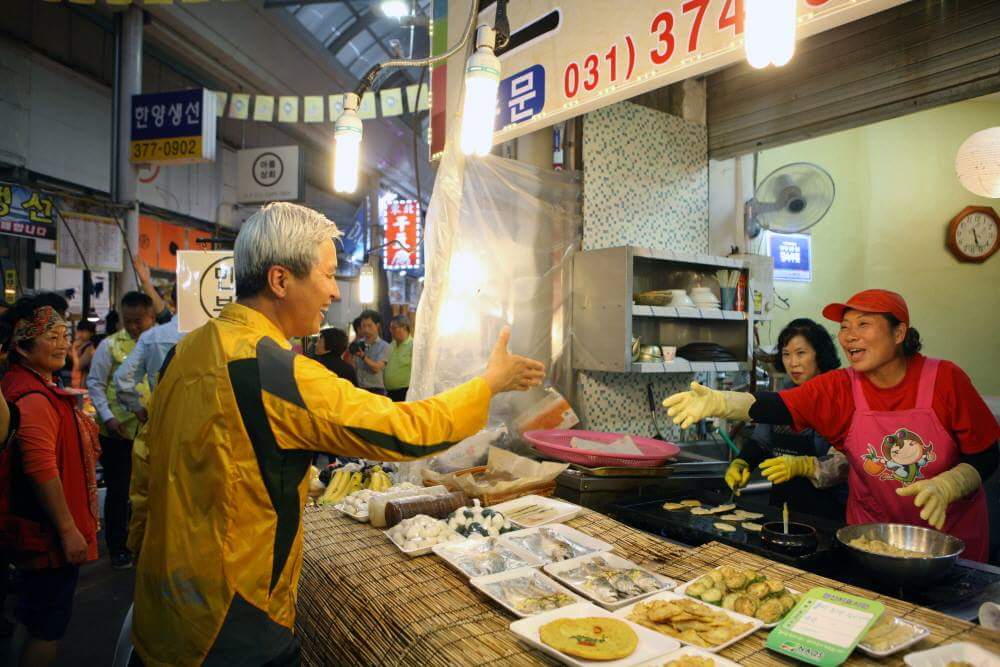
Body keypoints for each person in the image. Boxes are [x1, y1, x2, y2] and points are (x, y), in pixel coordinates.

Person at [131, 202, 545, 666]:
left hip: (161, 604)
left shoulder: (186, 350)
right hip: (230, 622)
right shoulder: (271, 370)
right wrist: (488, 383)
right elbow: (403, 430)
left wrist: (139, 547)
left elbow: (146, 462)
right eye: (328, 275)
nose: (333, 292)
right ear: (280, 280)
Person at [664, 289, 1000, 561]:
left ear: (899, 332)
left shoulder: (945, 380)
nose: (849, 336)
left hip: (946, 543)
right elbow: (777, 406)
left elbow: (987, 453)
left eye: (863, 324)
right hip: (870, 538)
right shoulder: (840, 386)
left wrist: (949, 485)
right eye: (845, 326)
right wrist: (721, 402)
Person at [0, 296, 100, 666]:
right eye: (51, 336)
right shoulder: (33, 398)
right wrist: (68, 529)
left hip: (35, 529)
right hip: (46, 535)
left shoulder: (22, 383)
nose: (62, 343)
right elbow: (40, 468)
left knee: (32, 617)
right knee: (49, 628)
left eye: (64, 334)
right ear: (23, 347)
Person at [726, 319, 847, 520]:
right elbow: (761, 440)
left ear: (819, 354)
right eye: (786, 354)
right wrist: (742, 462)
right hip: (781, 507)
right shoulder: (785, 392)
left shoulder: (837, 395)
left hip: (825, 511)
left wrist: (803, 466)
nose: (793, 363)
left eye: (801, 353)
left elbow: (846, 462)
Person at [85, 291, 156, 570]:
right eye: (128, 321)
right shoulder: (109, 345)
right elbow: (95, 383)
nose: (134, 326)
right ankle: (119, 547)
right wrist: (108, 416)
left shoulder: (158, 343)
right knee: (119, 491)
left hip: (151, 432)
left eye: (139, 321)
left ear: (151, 316)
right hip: (118, 433)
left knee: (148, 490)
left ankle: (144, 542)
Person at [113, 310, 184, 422]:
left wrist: (137, 408)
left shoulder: (152, 336)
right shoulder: (217, 335)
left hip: (165, 419)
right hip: (211, 424)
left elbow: (123, 377)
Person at [352, 309, 390, 395]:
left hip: (376, 390)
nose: (366, 329)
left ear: (377, 326)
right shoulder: (358, 344)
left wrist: (363, 357)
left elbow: (377, 368)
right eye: (363, 326)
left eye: (369, 326)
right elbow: (353, 367)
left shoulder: (384, 346)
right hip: (359, 388)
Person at [385, 314, 413, 402]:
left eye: (394, 328)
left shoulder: (413, 345)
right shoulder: (390, 345)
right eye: (390, 328)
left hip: (405, 391)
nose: (391, 331)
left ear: (404, 327)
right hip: (390, 392)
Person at [69, 321, 96, 389]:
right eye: (79, 331)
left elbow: (78, 366)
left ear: (91, 333)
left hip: (82, 385)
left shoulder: (89, 348)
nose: (81, 334)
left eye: (85, 331)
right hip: (76, 383)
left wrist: (74, 349)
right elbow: (75, 360)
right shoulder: (81, 346)